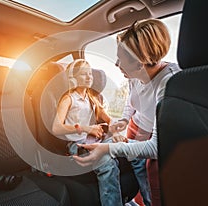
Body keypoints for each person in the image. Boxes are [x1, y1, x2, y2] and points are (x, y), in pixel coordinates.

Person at [73, 19, 182, 206]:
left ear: (141, 64)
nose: (116, 64)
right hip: (135, 128)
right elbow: (132, 101)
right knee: (138, 179)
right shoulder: (134, 74)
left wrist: (107, 149)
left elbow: (155, 148)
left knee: (152, 190)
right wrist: (124, 120)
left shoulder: (168, 83)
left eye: (120, 59)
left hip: (153, 140)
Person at [51, 59, 123, 206]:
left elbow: (110, 120)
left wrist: (115, 131)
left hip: (95, 141)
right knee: (107, 164)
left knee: (133, 148)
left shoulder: (92, 99)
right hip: (77, 145)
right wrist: (86, 128)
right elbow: (56, 128)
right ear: (74, 79)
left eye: (90, 73)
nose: (89, 77)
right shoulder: (68, 99)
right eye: (84, 74)